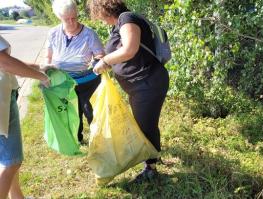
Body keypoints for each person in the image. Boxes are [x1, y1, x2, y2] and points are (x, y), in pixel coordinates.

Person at [88, 0, 169, 183]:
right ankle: (154, 156)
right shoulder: (120, 24)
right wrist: (102, 59)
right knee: (146, 122)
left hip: (148, 83)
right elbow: (123, 52)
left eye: (98, 15)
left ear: (103, 10)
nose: (99, 20)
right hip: (141, 85)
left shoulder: (127, 18)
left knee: (144, 126)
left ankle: (151, 169)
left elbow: (129, 49)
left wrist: (106, 61)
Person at [46, 0, 105, 143]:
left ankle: (98, 139)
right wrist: (47, 71)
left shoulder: (89, 34)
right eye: (67, 19)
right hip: (63, 81)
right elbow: (48, 56)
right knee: (71, 111)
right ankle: (76, 138)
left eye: (74, 17)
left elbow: (100, 55)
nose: (72, 22)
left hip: (87, 81)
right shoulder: (53, 33)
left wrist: (96, 62)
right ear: (60, 18)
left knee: (90, 111)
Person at [0, 35, 50, 199]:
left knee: (8, 158)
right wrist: (41, 77)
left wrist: (39, 67)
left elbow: (7, 62)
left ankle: (17, 196)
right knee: (12, 161)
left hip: (6, 97)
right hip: (2, 102)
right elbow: (4, 63)